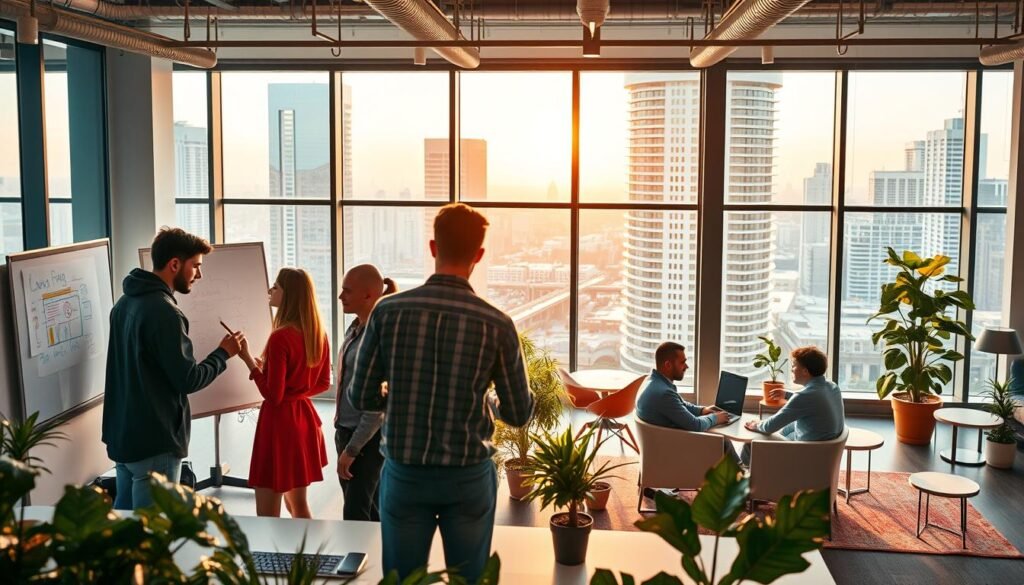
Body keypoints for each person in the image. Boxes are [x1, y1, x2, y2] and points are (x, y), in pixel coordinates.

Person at [349, 203, 535, 583]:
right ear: (479, 255)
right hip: (467, 476)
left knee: (402, 579)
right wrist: (487, 403)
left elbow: (360, 395)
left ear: (434, 247)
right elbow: (518, 412)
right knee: (469, 580)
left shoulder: (388, 312)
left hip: (405, 473)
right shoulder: (497, 324)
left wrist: (396, 400)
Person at [103, 227, 244, 511]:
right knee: (155, 533)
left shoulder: (124, 303)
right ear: (175, 264)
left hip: (124, 436)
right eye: (196, 266)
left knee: (124, 532)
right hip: (155, 440)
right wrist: (223, 354)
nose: (199, 275)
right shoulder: (165, 313)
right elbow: (188, 379)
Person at [238, 268, 332, 518]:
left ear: (289, 294)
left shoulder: (281, 337)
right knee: (298, 506)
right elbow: (323, 383)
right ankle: (312, 556)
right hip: (304, 421)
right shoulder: (318, 334)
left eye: (276, 287)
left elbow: (274, 396)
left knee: (267, 517)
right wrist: (295, 391)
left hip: (279, 427)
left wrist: (248, 360)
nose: (270, 290)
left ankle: (273, 558)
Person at [334, 264, 397, 521]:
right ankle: (382, 560)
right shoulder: (355, 328)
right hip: (347, 431)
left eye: (347, 291)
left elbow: (377, 408)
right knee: (369, 511)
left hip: (365, 441)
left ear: (369, 295)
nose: (340, 297)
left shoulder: (380, 336)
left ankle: (363, 561)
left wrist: (352, 449)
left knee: (355, 515)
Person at [636, 342, 739, 466]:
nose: (686, 366)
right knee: (722, 440)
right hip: (673, 452)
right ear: (668, 365)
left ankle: (739, 471)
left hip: (661, 444)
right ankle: (740, 476)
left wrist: (702, 410)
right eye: (682, 362)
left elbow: (680, 404)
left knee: (716, 432)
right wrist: (715, 418)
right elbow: (695, 425)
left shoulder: (653, 382)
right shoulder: (663, 394)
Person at [742, 346, 845, 464]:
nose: (791, 369)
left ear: (805, 371)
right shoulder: (832, 386)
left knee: (750, 443)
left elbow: (769, 427)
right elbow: (812, 401)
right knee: (786, 430)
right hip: (823, 452)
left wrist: (756, 425)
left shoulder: (803, 397)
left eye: (794, 366)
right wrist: (786, 394)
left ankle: (744, 479)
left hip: (804, 455)